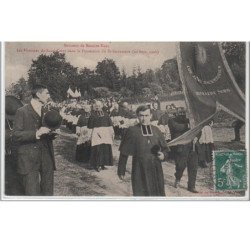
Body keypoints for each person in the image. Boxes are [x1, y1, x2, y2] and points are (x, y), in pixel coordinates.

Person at [13, 84, 57, 196]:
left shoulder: (47, 110)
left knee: (48, 191)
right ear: (38, 94)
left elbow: (47, 131)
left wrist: (53, 133)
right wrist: (36, 133)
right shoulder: (22, 111)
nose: (49, 95)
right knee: (32, 192)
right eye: (47, 93)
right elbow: (16, 135)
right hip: (28, 157)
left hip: (46, 155)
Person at [118, 105, 169, 196]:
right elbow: (124, 152)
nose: (144, 118)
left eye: (146, 115)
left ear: (151, 116)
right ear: (137, 116)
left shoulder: (156, 130)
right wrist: (121, 170)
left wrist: (163, 155)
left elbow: (166, 149)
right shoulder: (132, 130)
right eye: (141, 115)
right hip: (139, 168)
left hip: (155, 168)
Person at [168, 107, 199, 193]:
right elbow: (177, 128)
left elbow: (198, 129)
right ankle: (178, 178)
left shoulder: (190, 120)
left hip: (192, 146)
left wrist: (197, 137)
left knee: (193, 167)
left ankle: (191, 186)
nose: (182, 115)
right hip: (181, 148)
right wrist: (189, 125)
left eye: (183, 113)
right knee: (180, 166)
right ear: (176, 114)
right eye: (180, 113)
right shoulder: (172, 121)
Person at [88, 100, 114, 172]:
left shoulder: (106, 115)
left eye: (99, 106)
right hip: (96, 134)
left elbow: (110, 124)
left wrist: (112, 133)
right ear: (94, 107)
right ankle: (97, 164)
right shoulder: (92, 115)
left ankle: (103, 164)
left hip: (105, 133)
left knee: (105, 148)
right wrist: (89, 136)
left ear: (102, 106)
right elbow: (90, 127)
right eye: (96, 106)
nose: (98, 107)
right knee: (97, 149)